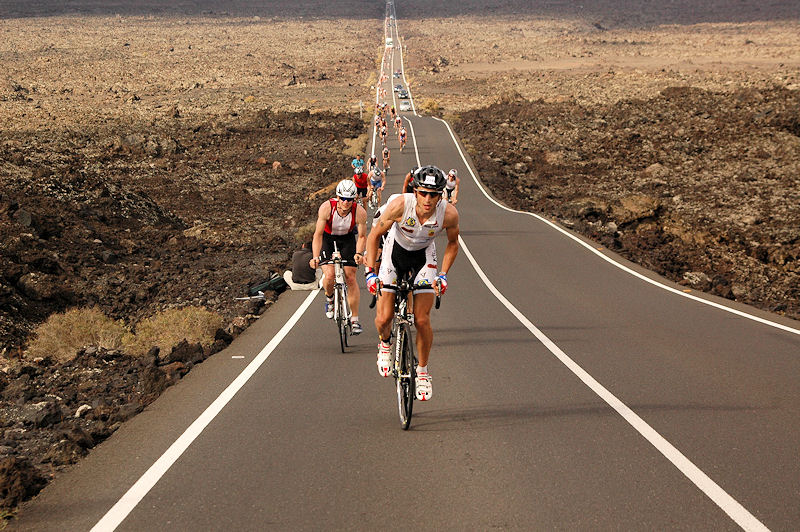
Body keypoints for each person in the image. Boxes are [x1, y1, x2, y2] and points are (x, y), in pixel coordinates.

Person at [364, 165, 460, 401]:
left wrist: (443, 274)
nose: (427, 199)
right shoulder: (400, 205)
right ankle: (385, 344)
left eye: (433, 194)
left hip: (423, 256)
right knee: (384, 318)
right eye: (423, 193)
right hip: (394, 253)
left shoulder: (448, 214)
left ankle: (423, 372)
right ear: (415, 191)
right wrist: (370, 273)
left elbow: (453, 243)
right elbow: (374, 236)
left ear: (440, 195)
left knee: (422, 319)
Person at [310, 180, 368, 334]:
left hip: (347, 239)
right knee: (329, 275)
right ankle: (330, 299)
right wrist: (315, 257)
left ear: (354, 199)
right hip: (327, 239)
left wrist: (359, 253)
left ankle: (354, 320)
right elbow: (318, 235)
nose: (345, 202)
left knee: (350, 277)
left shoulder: (360, 212)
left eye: (349, 199)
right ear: (337, 197)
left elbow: (362, 236)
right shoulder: (326, 208)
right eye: (342, 198)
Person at [283, 223, 322, 290]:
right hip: (311, 285)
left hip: (295, 286)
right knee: (319, 270)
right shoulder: (313, 256)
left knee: (286, 273)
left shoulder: (295, 254)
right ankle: (317, 284)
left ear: (303, 246)